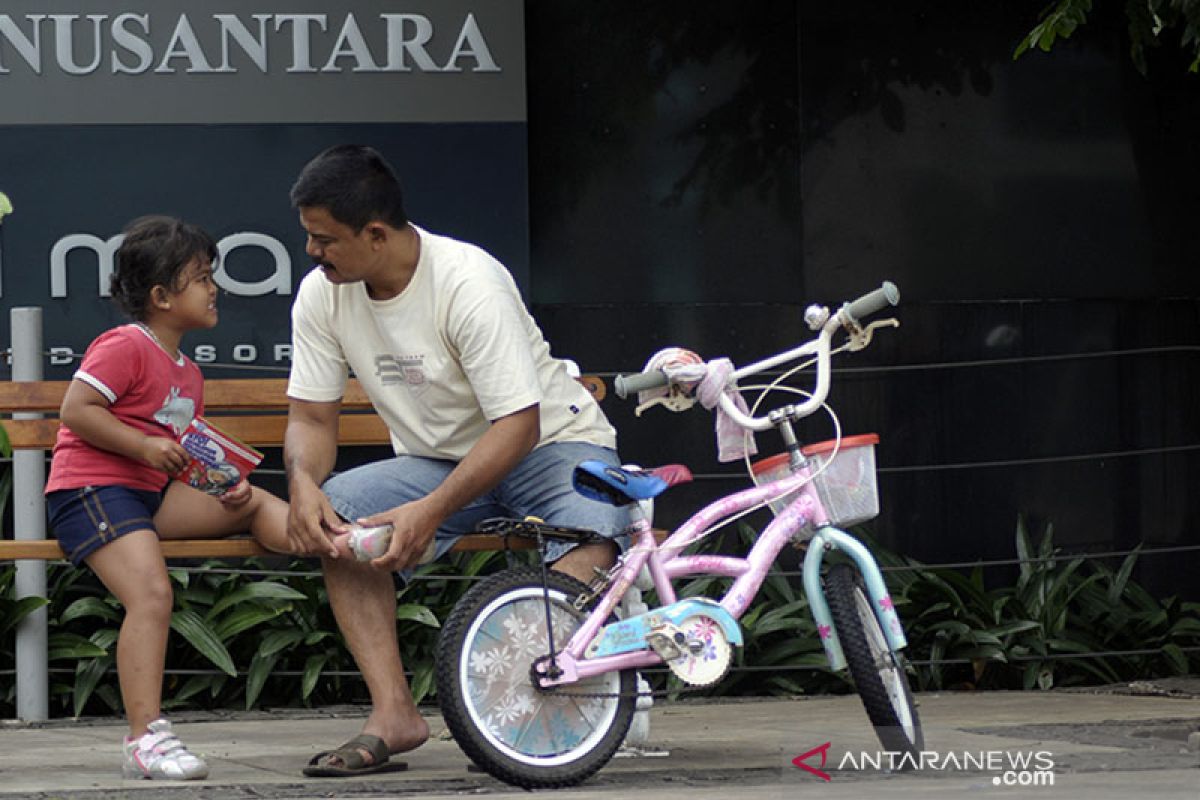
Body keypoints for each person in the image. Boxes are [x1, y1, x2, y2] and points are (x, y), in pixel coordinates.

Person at [283, 144, 631, 777]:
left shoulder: (469, 280)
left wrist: (430, 512)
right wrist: (304, 482)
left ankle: (515, 716)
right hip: (438, 462)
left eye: (324, 239)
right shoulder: (321, 295)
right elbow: (311, 418)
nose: (312, 252)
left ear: (377, 234)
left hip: (551, 445)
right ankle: (394, 714)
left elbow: (519, 425)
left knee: (588, 536)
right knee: (340, 520)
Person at [45, 216, 294, 781]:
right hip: (91, 490)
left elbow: (183, 449)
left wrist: (218, 480)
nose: (214, 289)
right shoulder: (124, 345)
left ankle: (326, 537)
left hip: (146, 497)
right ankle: (145, 741)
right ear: (161, 296)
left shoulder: (189, 371)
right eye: (202, 278)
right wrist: (142, 445)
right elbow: (75, 412)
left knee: (247, 499)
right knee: (152, 594)